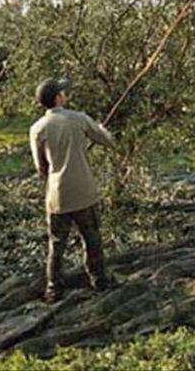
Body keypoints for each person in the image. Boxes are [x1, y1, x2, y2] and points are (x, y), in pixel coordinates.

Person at [29, 77, 117, 303]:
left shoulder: (37, 129)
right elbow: (108, 141)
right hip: (84, 193)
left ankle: (53, 289)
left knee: (56, 245)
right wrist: (102, 129)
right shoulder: (79, 119)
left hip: (57, 196)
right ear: (58, 97)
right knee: (92, 239)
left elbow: (41, 167)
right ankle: (99, 281)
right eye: (62, 92)